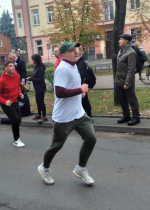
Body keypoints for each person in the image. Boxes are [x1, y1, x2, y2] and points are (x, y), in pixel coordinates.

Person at [37, 41, 97, 185]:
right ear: (63, 55)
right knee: (56, 146)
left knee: (91, 139)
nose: (76, 52)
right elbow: (60, 92)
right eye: (71, 50)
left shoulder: (73, 65)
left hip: (79, 114)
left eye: (75, 49)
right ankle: (44, 168)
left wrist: (79, 94)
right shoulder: (62, 69)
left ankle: (81, 169)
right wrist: (80, 90)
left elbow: (72, 86)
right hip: (64, 118)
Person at [0, 60, 25, 148]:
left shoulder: (17, 75)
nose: (13, 67)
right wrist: (5, 101)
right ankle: (16, 140)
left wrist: (20, 93)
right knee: (15, 120)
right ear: (6, 68)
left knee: (18, 120)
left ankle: (1, 120)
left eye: (13, 65)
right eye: (10, 66)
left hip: (14, 101)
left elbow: (18, 86)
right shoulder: (1, 81)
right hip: (6, 103)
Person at [115, 34, 140, 126]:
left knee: (131, 99)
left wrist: (127, 82)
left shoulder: (131, 53)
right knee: (122, 99)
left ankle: (136, 117)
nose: (119, 41)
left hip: (127, 81)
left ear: (127, 41)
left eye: (121, 39)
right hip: (119, 80)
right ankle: (126, 116)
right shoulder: (120, 51)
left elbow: (131, 69)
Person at [27, 54, 48, 123]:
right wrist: (31, 78)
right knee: (38, 101)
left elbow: (40, 79)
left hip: (40, 87)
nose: (32, 61)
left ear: (35, 60)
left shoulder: (40, 68)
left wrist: (31, 79)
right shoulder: (36, 67)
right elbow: (35, 76)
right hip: (37, 87)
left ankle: (44, 116)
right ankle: (39, 114)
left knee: (41, 102)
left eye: (32, 59)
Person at [76, 46, 92, 118]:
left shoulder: (81, 63)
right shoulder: (79, 62)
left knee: (84, 103)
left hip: (81, 86)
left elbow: (81, 75)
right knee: (84, 102)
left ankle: (88, 117)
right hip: (81, 86)